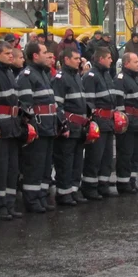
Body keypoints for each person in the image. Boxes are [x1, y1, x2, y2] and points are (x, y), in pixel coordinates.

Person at [17, 41, 57, 213]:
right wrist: (32, 127)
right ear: (35, 55)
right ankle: (32, 200)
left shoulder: (43, 74)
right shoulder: (27, 75)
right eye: (44, 52)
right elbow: (26, 105)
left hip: (49, 127)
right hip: (39, 128)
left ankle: (41, 196)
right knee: (35, 166)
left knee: (46, 166)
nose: (48, 55)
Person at [0, 41, 22, 220]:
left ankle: (9, 203)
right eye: (7, 53)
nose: (11, 56)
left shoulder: (9, 72)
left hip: (13, 126)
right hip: (1, 127)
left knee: (12, 168)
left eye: (11, 53)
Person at [52, 47, 88, 206]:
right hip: (69, 126)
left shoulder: (77, 77)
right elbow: (57, 105)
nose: (79, 60)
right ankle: (63, 193)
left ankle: (74, 190)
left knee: (77, 161)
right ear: (66, 60)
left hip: (79, 127)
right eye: (75, 58)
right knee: (65, 161)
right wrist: (63, 125)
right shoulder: (61, 78)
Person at [81, 47, 117, 200]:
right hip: (98, 122)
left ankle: (103, 185)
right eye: (108, 57)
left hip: (108, 122)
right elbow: (89, 102)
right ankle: (90, 187)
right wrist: (92, 123)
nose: (111, 60)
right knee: (94, 157)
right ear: (101, 59)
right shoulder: (91, 76)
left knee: (107, 157)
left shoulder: (107, 75)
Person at [114, 52, 138, 194]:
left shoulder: (136, 78)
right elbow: (119, 104)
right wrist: (124, 121)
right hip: (128, 123)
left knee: (135, 154)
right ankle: (123, 183)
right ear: (126, 63)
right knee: (126, 154)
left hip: (137, 122)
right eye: (135, 62)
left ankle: (131, 181)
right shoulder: (121, 79)